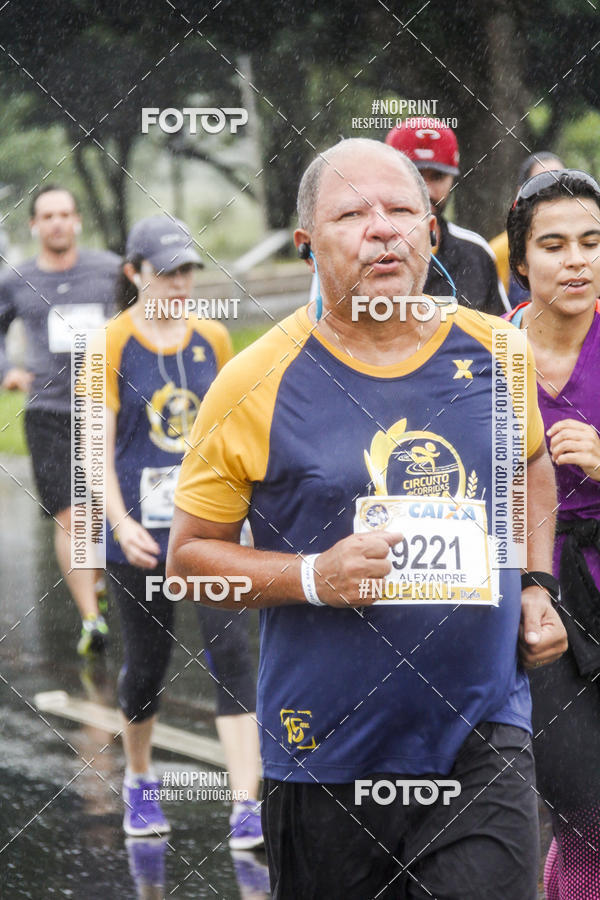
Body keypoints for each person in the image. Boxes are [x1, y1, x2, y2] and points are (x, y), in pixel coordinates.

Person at [168, 138, 567, 899]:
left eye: (401, 210)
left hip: (480, 738)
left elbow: (531, 469)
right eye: (352, 213)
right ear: (308, 242)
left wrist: (536, 583)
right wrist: (315, 576)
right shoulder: (254, 381)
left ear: (433, 231)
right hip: (322, 753)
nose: (382, 229)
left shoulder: (497, 352)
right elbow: (190, 561)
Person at [101, 215, 262, 846]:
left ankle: (245, 802)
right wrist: (118, 522)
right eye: (165, 272)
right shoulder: (108, 344)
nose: (178, 283)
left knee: (235, 656)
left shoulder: (214, 336)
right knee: (146, 664)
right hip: (138, 535)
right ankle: (139, 778)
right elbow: (95, 447)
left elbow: (226, 433)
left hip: (209, 532)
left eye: (186, 270)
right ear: (134, 274)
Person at [505, 169, 600, 899]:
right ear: (521, 260)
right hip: (531, 584)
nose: (577, 260)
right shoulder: (485, 352)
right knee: (577, 796)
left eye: (593, 242)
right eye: (556, 244)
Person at [0, 185, 120, 655]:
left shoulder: (109, 270)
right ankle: (92, 619)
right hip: (49, 411)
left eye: (65, 214)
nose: (56, 223)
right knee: (74, 517)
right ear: (34, 225)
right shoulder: (16, 279)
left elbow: (141, 317)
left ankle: (101, 580)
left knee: (108, 513)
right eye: (47, 215)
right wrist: (7, 369)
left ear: (77, 222)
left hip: (107, 409)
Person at [385, 120, 510, 314]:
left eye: (437, 177)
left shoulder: (476, 255)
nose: (426, 190)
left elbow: (503, 334)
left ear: (453, 179)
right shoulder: (361, 253)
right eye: (415, 175)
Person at [490, 151, 564, 306]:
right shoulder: (498, 251)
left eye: (561, 185)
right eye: (543, 186)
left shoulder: (587, 246)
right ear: (521, 192)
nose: (554, 194)